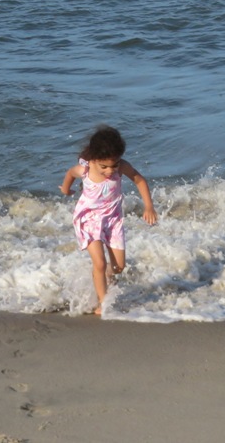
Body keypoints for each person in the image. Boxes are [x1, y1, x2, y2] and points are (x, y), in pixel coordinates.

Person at [59, 125, 158, 315]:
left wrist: (149, 206)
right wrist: (65, 189)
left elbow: (140, 180)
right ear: (93, 159)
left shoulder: (121, 167)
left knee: (118, 267)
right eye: (104, 167)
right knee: (100, 263)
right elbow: (70, 174)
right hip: (88, 218)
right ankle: (103, 304)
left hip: (113, 220)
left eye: (114, 165)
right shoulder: (85, 170)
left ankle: (103, 281)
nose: (110, 171)